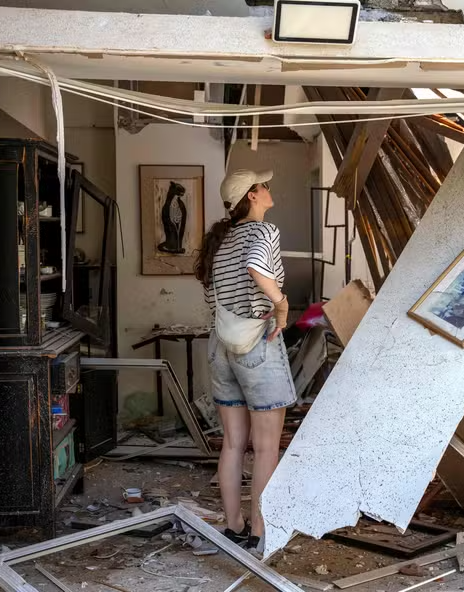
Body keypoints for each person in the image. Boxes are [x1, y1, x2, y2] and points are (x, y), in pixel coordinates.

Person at [194, 169, 294, 555]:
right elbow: (255, 267)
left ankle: (234, 526)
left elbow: (212, 298)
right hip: (257, 343)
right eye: (263, 185)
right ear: (251, 196)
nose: (269, 189)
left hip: (221, 345)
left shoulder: (219, 241)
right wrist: (282, 304)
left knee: (233, 444)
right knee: (266, 448)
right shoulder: (261, 232)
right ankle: (259, 532)